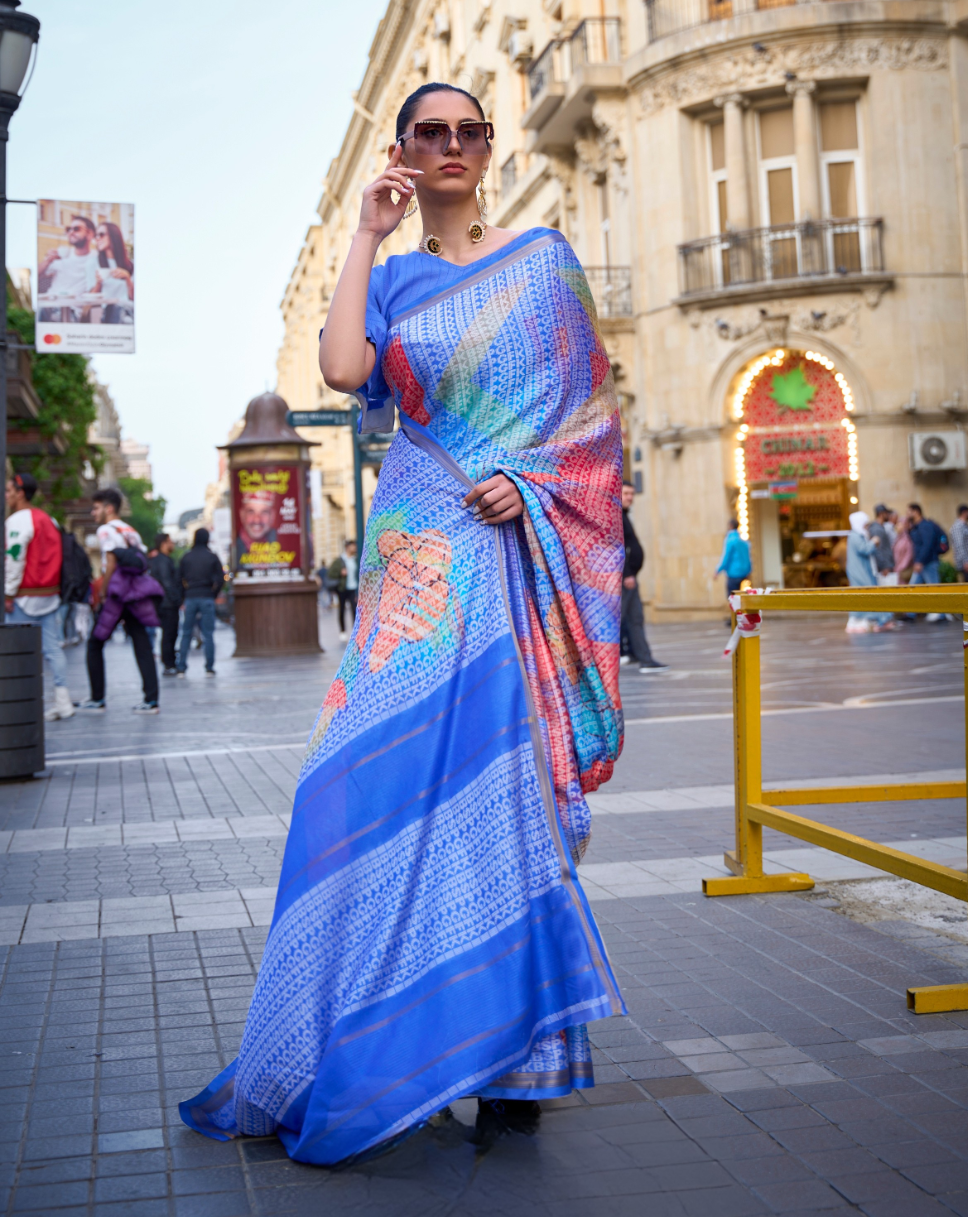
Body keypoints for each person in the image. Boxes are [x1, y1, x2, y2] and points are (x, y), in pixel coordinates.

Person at [182, 82, 626, 1163]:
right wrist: (366, 235)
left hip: (508, 550)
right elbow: (342, 371)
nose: (454, 146)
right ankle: (371, 1036)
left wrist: (529, 484)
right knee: (358, 780)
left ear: (490, 148)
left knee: (500, 791)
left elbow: (589, 422)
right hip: (413, 549)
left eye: (471, 131)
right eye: (432, 132)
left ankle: (512, 1066)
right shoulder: (391, 278)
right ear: (404, 151)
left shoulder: (543, 262)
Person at [78, 488, 163, 713]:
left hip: (117, 594)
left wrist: (103, 591)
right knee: (142, 644)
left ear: (109, 508)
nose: (92, 513)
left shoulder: (106, 530)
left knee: (95, 643)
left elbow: (111, 561)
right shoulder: (130, 530)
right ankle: (151, 699)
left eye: (96, 508)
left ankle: (97, 698)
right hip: (133, 594)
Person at [4, 473, 73, 720]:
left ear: (20, 492)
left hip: (24, 595)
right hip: (49, 593)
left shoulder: (17, 521)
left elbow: (14, 557)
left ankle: (21, 700)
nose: (6, 495)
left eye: (8, 490)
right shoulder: (49, 520)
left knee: (17, 650)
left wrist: (8, 592)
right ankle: (63, 701)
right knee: (52, 650)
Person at [620, 481, 666, 671]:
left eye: (632, 493)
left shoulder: (624, 516)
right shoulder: (615, 516)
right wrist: (627, 574)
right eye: (626, 493)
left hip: (630, 579)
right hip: (625, 579)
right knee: (619, 620)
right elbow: (616, 547)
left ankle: (645, 659)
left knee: (635, 619)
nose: (630, 497)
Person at [176, 528, 224, 674]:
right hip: (207, 596)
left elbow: (178, 579)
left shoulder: (186, 557)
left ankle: (182, 666)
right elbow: (221, 579)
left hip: (190, 597)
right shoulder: (212, 557)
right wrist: (213, 594)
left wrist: (182, 597)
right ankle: (209, 666)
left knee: (186, 633)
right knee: (208, 634)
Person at [37, 216, 99, 319]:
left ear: (90, 234)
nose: (71, 232)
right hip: (49, 306)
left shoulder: (96, 259)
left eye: (76, 229)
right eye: (68, 229)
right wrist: (47, 261)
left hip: (73, 312)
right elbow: (36, 276)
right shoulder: (62, 254)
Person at [845, 511, 894, 633]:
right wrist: (874, 542)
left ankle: (876, 620)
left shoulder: (858, 535)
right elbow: (864, 549)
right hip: (859, 572)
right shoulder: (855, 536)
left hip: (862, 570)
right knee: (867, 595)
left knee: (864, 595)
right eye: (865, 524)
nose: (866, 527)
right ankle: (874, 619)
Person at [907, 502, 950, 622]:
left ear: (916, 512)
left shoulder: (925, 526)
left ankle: (940, 615)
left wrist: (920, 561)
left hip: (928, 563)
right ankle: (910, 614)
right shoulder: (917, 526)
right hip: (922, 563)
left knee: (933, 588)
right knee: (913, 588)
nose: (907, 514)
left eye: (909, 511)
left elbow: (927, 544)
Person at [148, 532, 183, 676]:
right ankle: (169, 663)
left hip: (162, 602)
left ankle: (169, 662)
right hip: (167, 604)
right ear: (164, 544)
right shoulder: (163, 561)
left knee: (168, 634)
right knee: (169, 634)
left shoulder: (158, 560)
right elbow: (167, 582)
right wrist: (176, 599)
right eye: (170, 541)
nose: (172, 544)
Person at [93, 220, 134, 324]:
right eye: (96, 235)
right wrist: (99, 283)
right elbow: (90, 298)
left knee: (126, 317)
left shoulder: (131, 265)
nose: (97, 238)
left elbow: (134, 298)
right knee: (116, 310)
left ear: (113, 236)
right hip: (107, 312)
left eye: (101, 234)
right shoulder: (93, 263)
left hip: (129, 310)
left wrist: (128, 279)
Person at [327, 539, 359, 637]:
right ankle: (343, 631)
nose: (355, 548)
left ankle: (355, 632)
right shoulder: (339, 560)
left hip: (353, 588)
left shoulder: (355, 559)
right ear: (347, 547)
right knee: (342, 610)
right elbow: (331, 573)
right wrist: (340, 573)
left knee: (355, 610)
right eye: (353, 546)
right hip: (342, 588)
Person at [715, 518, 752, 598]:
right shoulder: (744, 542)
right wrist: (748, 570)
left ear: (730, 526)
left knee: (732, 598)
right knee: (739, 597)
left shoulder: (730, 540)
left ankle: (736, 610)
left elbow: (726, 557)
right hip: (744, 573)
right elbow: (748, 558)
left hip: (733, 574)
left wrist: (718, 570)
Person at [951, 504, 968, 582]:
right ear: (964, 512)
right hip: (965, 563)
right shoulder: (958, 527)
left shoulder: (963, 526)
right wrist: (965, 561)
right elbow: (959, 545)